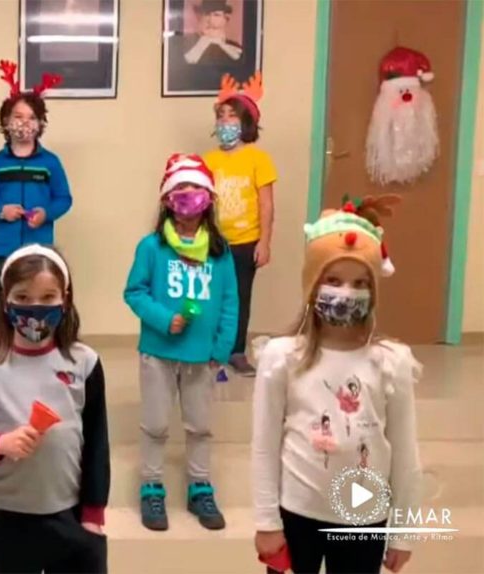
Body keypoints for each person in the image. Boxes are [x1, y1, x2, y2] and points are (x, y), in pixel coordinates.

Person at [251, 195, 420, 574]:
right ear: (313, 286)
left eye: (361, 283)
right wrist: (266, 522)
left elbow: (407, 454)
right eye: (333, 280)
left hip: (364, 519)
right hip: (296, 515)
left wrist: (403, 532)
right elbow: (263, 446)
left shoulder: (391, 362)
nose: (346, 292)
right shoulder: (282, 357)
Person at [0, 244, 109, 573]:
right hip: (6, 516)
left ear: (65, 297)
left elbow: (96, 442)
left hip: (71, 512)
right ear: (4, 298)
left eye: (48, 297)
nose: (35, 307)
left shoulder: (84, 362)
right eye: (22, 298)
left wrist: (93, 514)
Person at [123, 154, 238, 532]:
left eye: (195, 194)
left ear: (208, 199)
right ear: (167, 200)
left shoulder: (220, 254)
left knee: (200, 425)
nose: (187, 203)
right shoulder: (151, 247)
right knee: (155, 424)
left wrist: (220, 350)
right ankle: (152, 487)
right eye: (179, 194)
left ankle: (199, 486)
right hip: (158, 353)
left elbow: (229, 304)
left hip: (201, 358)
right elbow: (134, 292)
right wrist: (162, 319)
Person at [0, 60, 71, 323]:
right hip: (3, 249)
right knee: (0, 304)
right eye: (18, 117)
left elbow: (64, 199)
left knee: (38, 305)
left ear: (40, 123)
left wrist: (46, 213)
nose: (24, 123)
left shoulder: (50, 162)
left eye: (31, 118)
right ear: (6, 122)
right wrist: (0, 210)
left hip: (39, 249)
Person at [203, 72, 276, 376]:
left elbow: (266, 203)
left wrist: (265, 242)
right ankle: (209, 348)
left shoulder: (259, 159)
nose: (225, 122)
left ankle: (236, 351)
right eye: (220, 116)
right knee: (210, 295)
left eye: (232, 116)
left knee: (239, 297)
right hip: (213, 241)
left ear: (245, 122)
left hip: (246, 241)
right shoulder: (208, 160)